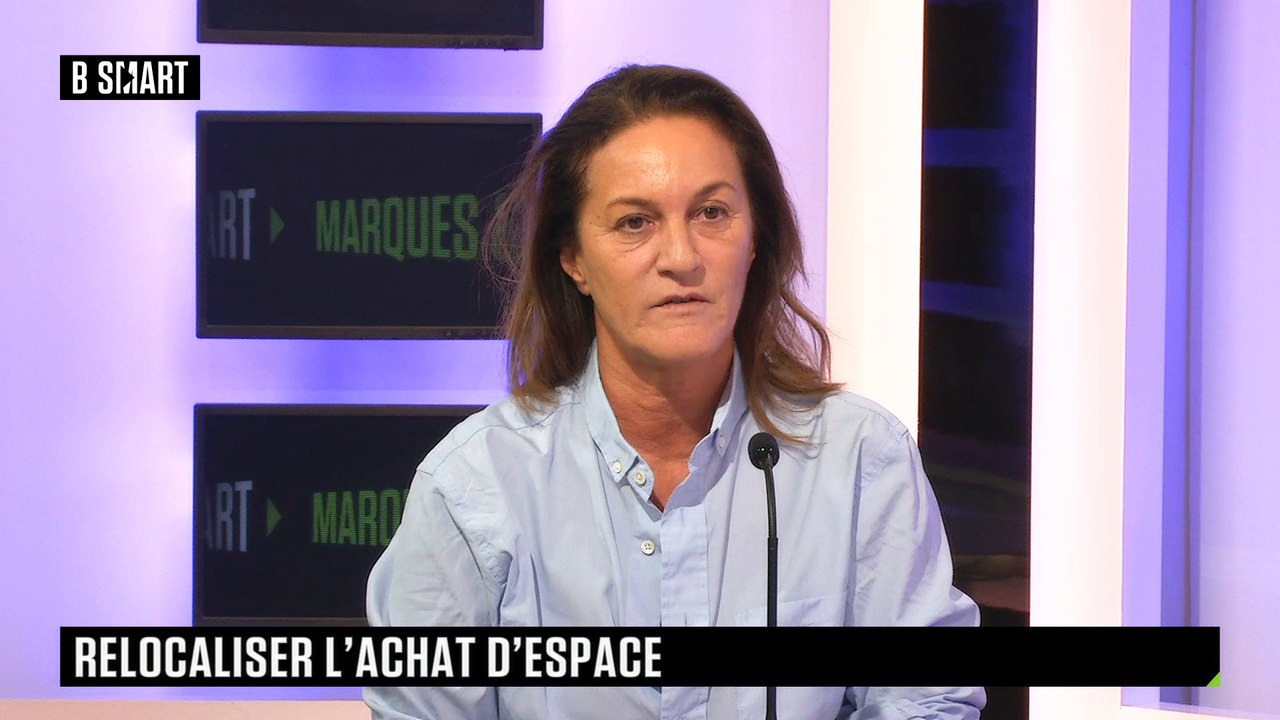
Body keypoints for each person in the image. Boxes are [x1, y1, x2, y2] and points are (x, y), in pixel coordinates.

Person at [365, 64, 985, 720]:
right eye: (635, 222)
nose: (682, 257)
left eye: (712, 213)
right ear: (572, 258)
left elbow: (927, 700)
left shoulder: (860, 457)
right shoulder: (475, 486)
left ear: (755, 238)